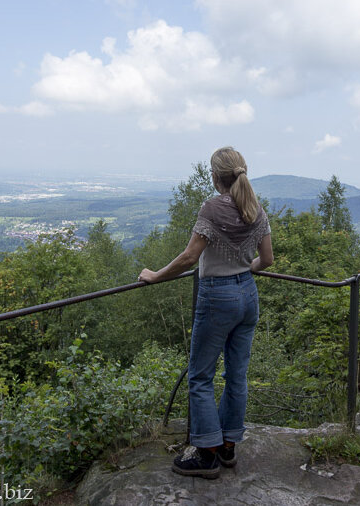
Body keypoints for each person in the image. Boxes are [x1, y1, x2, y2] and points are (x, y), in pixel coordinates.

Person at [138, 146, 274, 479]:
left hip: (217, 298)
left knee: (200, 376)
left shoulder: (211, 208)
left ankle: (207, 454)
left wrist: (154, 275)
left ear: (215, 177)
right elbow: (267, 260)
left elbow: (189, 258)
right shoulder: (255, 208)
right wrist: (243, 271)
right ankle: (228, 447)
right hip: (248, 296)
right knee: (236, 375)